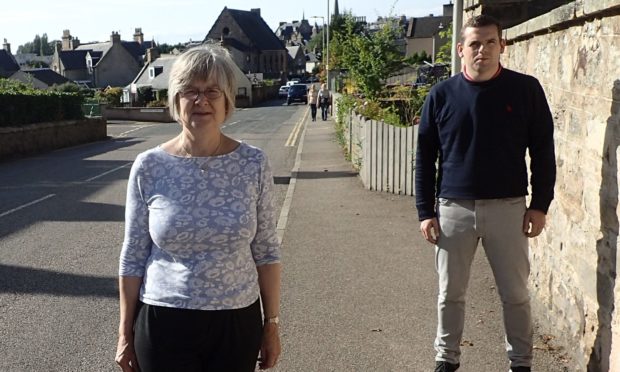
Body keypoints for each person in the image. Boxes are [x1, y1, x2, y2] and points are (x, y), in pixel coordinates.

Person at [115, 44, 282, 372]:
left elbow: (267, 252)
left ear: (227, 101)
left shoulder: (253, 164)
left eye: (212, 91)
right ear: (175, 100)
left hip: (236, 322)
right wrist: (124, 333)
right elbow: (133, 254)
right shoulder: (149, 166)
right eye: (189, 90)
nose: (201, 100)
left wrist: (271, 323)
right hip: (164, 320)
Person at [415, 15, 556, 372]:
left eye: (490, 42)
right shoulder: (441, 95)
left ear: (502, 46)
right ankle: (446, 360)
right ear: (461, 50)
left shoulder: (526, 90)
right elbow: (424, 157)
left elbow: (543, 150)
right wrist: (424, 211)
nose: (483, 50)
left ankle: (521, 363)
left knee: (516, 295)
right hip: (453, 209)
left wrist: (540, 205)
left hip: (508, 209)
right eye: (475, 44)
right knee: (450, 295)